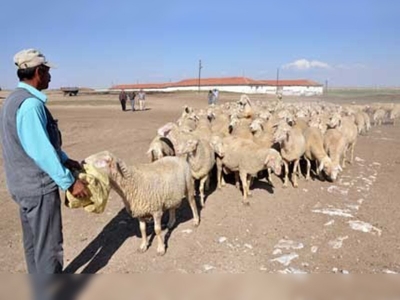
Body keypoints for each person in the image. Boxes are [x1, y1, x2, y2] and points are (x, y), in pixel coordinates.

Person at [0, 49, 89, 277]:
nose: (50, 76)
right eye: (48, 71)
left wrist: (65, 159)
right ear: (38, 72)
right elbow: (41, 153)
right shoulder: (31, 105)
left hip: (21, 186)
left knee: (34, 244)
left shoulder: (12, 100)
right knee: (48, 247)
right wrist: (70, 183)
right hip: (38, 189)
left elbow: (34, 143)